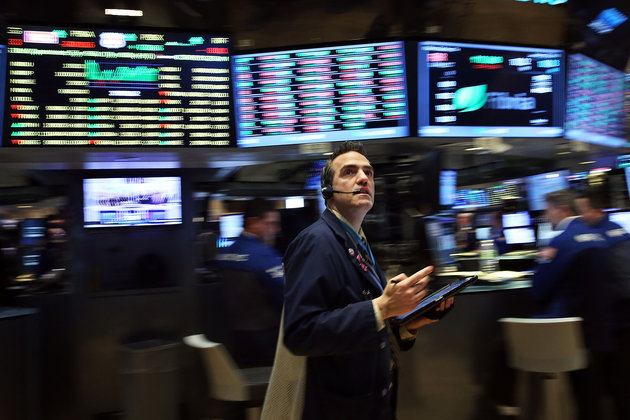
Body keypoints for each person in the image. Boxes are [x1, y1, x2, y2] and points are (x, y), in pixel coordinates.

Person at [262, 141, 454, 420]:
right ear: (328, 191)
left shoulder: (358, 240)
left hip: (369, 400)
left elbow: (365, 320)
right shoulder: (316, 242)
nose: (364, 178)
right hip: (338, 407)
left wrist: (407, 323)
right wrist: (382, 308)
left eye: (369, 172)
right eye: (349, 172)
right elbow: (301, 333)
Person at [531, 187, 630, 420]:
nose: (547, 217)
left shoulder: (562, 241)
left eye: (548, 211)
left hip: (576, 331)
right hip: (610, 327)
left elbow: (538, 289)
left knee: (587, 397)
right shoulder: (603, 236)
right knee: (615, 391)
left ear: (561, 209)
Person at [215, 199, 284, 367]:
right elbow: (287, 293)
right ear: (253, 222)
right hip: (265, 338)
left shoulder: (225, 253)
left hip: (235, 337)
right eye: (270, 223)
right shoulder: (263, 255)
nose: (275, 230)